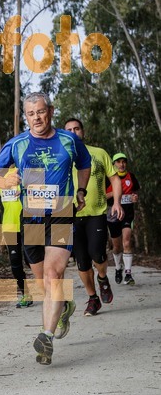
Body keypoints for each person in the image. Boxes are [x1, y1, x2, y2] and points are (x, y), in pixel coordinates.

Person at [0, 92, 91, 365]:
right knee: (44, 284)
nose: (36, 118)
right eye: (31, 114)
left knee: (53, 273)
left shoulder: (69, 140)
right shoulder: (18, 143)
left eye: (41, 112)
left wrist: (81, 190)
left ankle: (46, 337)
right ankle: (64, 305)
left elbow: (85, 164)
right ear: (26, 116)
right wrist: (5, 182)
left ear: (51, 111)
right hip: (31, 215)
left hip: (61, 212)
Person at [64, 119, 124, 316]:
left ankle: (102, 277)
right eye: (69, 130)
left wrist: (116, 202)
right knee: (81, 261)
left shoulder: (98, 153)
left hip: (96, 213)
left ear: (83, 131)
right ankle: (92, 298)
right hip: (71, 215)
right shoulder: (62, 156)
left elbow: (114, 178)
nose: (73, 132)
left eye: (76, 128)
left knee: (97, 253)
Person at [0, 170, 33, 308]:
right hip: (10, 225)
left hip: (31, 223)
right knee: (15, 262)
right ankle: (26, 294)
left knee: (33, 260)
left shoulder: (27, 168)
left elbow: (44, 188)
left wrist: (26, 191)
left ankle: (49, 290)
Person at [106, 153, 140, 285]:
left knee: (126, 242)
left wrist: (134, 197)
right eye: (118, 162)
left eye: (123, 162)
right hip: (112, 215)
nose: (121, 164)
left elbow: (135, 192)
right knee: (117, 246)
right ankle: (118, 268)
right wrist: (116, 193)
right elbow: (102, 196)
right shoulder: (108, 178)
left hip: (128, 214)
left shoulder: (131, 176)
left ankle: (128, 273)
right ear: (113, 164)